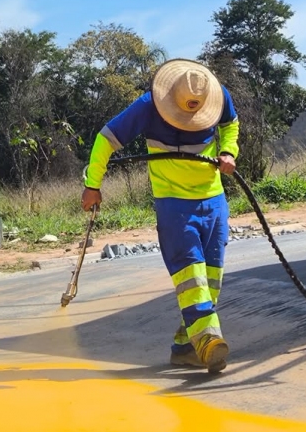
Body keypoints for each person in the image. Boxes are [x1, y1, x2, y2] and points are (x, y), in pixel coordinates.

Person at [81, 59, 239, 373]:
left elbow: (231, 124)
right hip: (174, 204)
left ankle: (185, 347)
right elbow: (105, 139)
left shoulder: (217, 95)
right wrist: (93, 186)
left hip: (214, 200)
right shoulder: (148, 106)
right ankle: (208, 341)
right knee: (191, 276)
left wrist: (229, 151)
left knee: (211, 279)